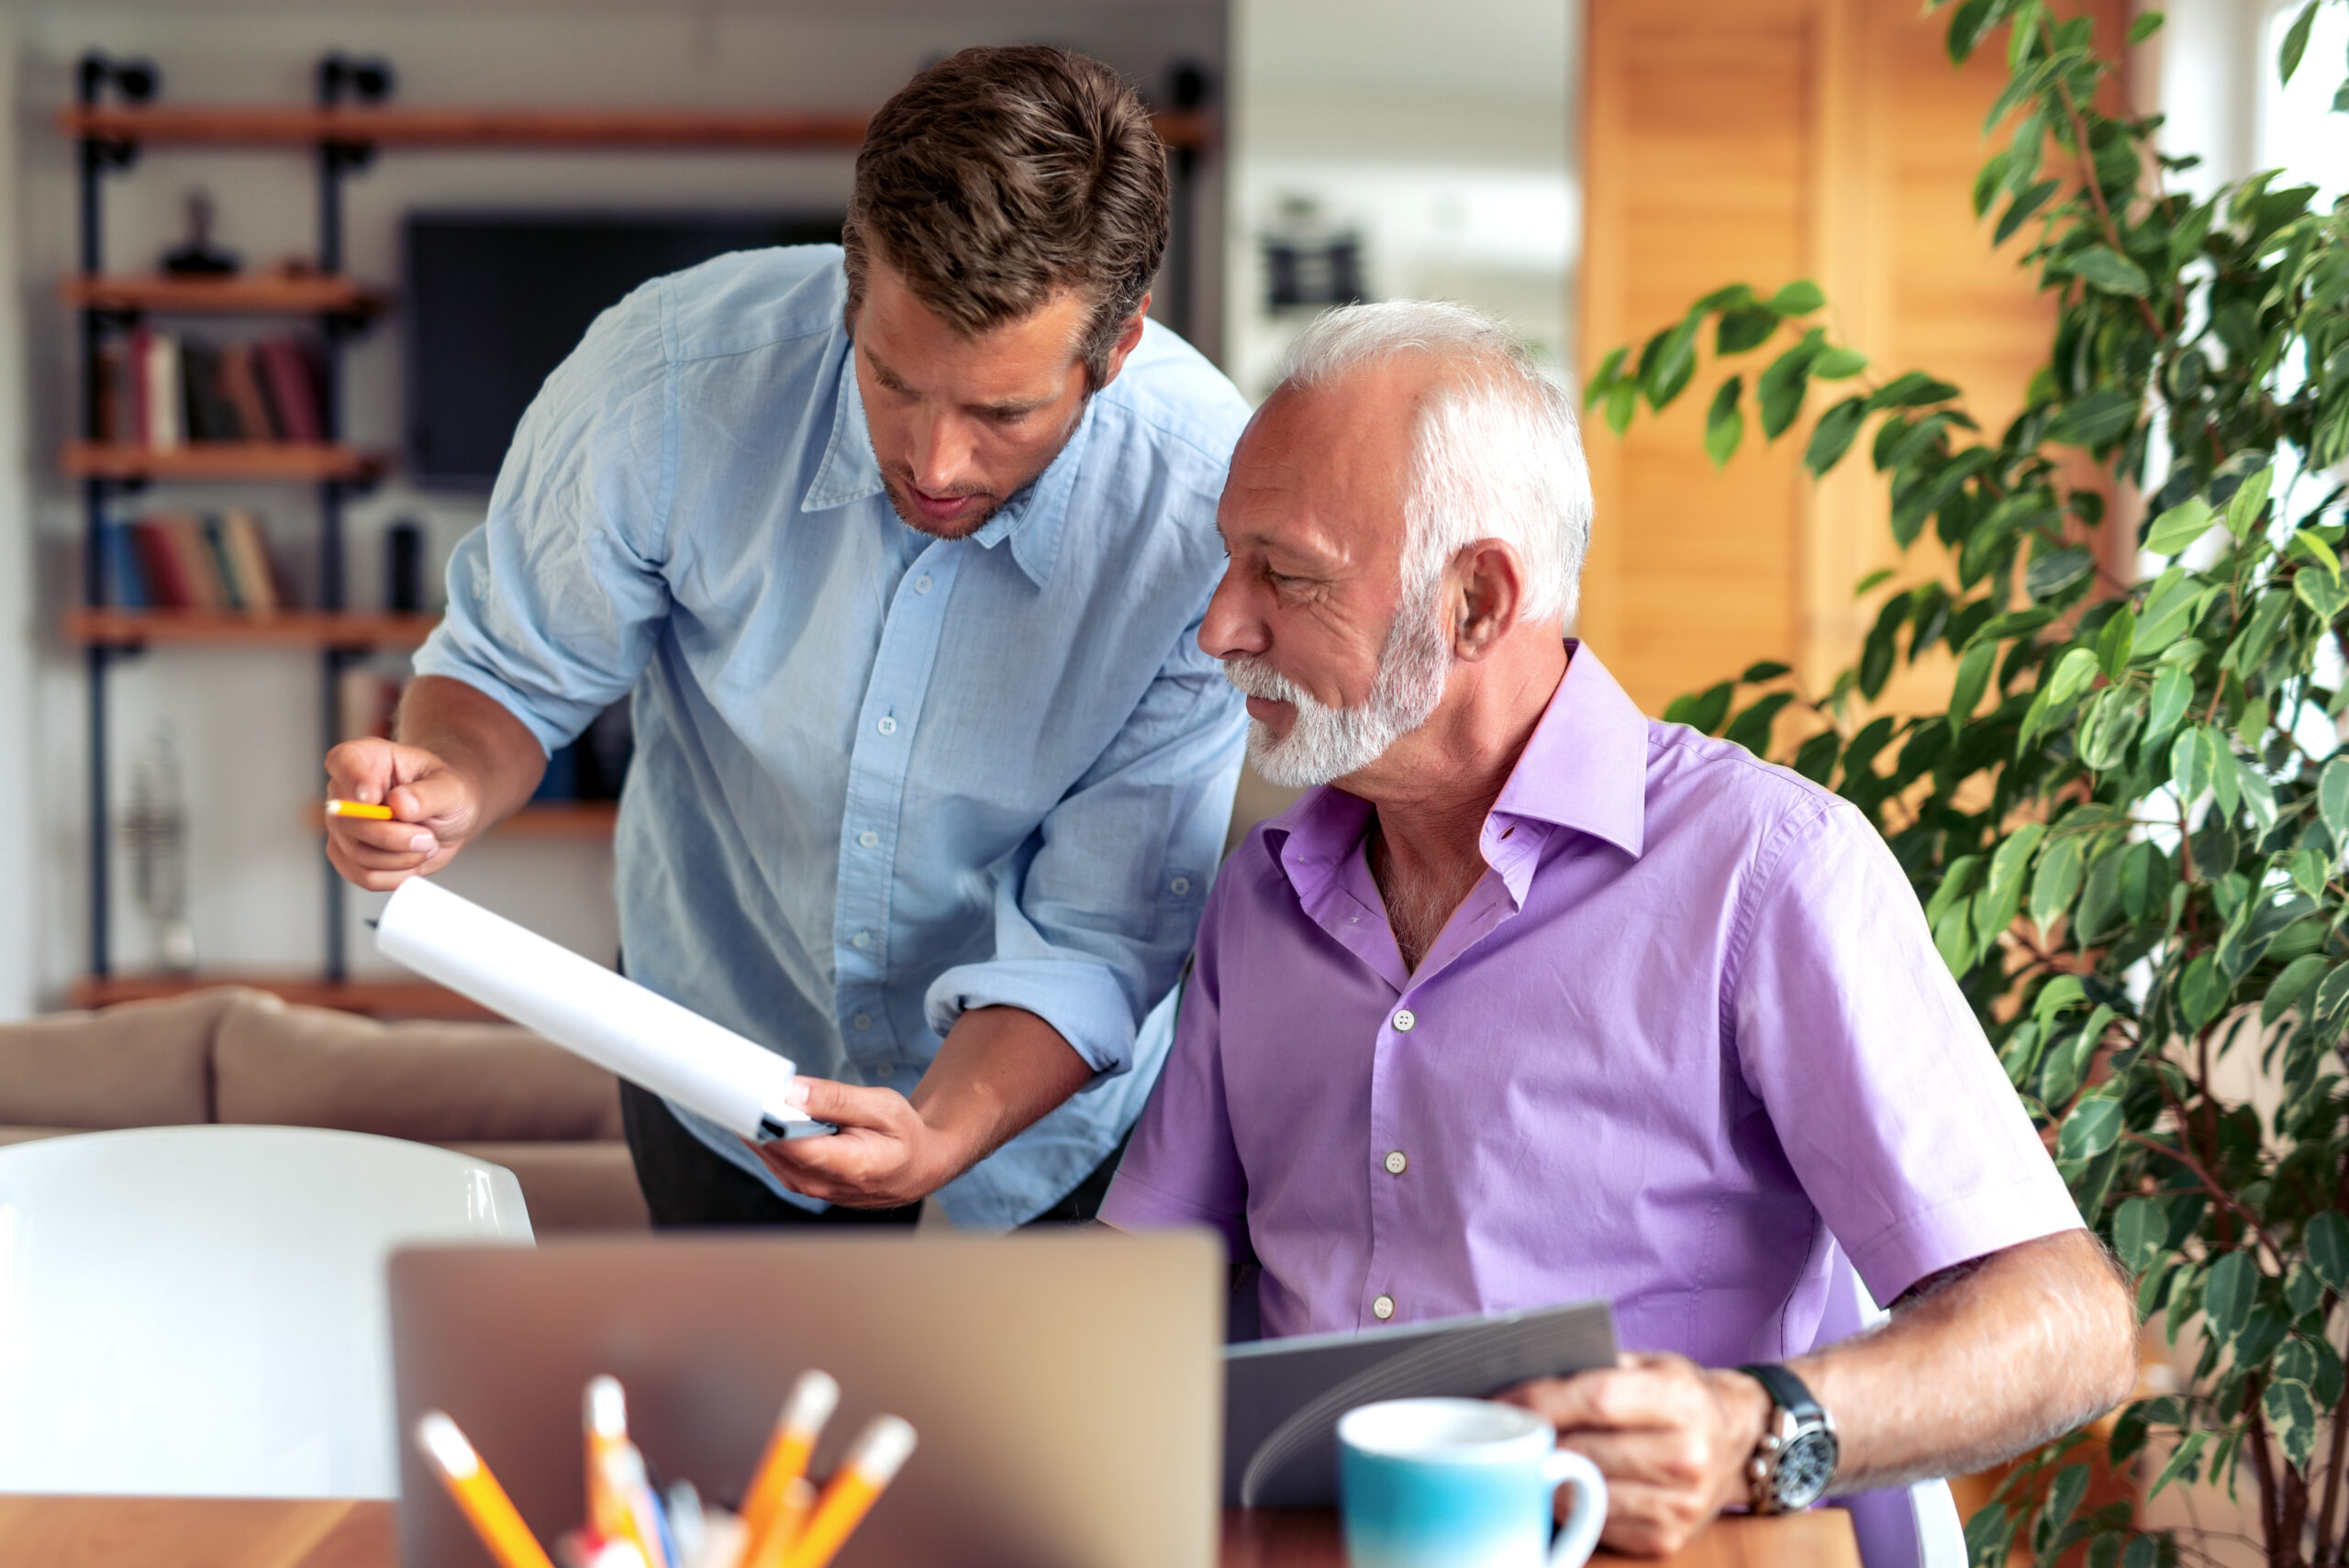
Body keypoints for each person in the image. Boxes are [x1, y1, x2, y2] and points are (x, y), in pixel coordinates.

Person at [1097, 301, 2138, 1566]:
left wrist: (1757, 1421)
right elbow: (1135, 1304)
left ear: (1476, 600)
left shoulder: (1765, 868)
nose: (1220, 626)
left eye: (1288, 576)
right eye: (1229, 561)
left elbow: (2067, 1323)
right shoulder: (1262, 897)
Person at [325, 47, 1251, 1231]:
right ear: (849, 294)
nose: (936, 461)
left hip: (1047, 1122)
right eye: (893, 380)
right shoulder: (663, 382)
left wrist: (942, 1133)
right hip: (717, 1053)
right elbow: (511, 671)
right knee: (732, 1420)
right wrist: (445, 779)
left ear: (1113, 353)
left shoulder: (1203, 510)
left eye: (1004, 412)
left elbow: (1099, 925)